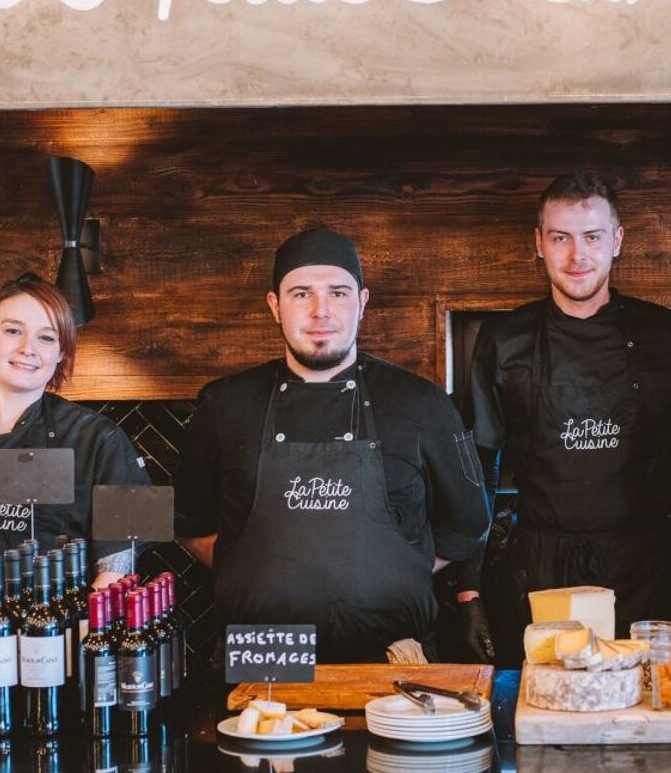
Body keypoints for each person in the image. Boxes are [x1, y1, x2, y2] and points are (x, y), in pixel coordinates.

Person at [174, 227, 490, 663]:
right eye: (301, 294)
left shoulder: (421, 403)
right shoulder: (225, 405)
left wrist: (400, 570)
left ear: (361, 302)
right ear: (275, 306)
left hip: (393, 659)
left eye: (338, 293)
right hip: (264, 665)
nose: (321, 311)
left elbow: (468, 523)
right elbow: (189, 523)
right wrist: (249, 572)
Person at [463, 172, 671, 665]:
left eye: (592, 237)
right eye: (561, 238)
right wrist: (467, 588)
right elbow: (477, 468)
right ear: (539, 244)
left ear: (616, 241)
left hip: (643, 563)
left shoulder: (661, 332)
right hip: (540, 565)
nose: (577, 256)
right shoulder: (505, 339)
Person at [0, 273, 149, 594]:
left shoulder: (101, 438)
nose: (26, 348)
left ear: (61, 352)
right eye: (13, 330)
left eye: (46, 337)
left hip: (55, 634)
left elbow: (120, 566)